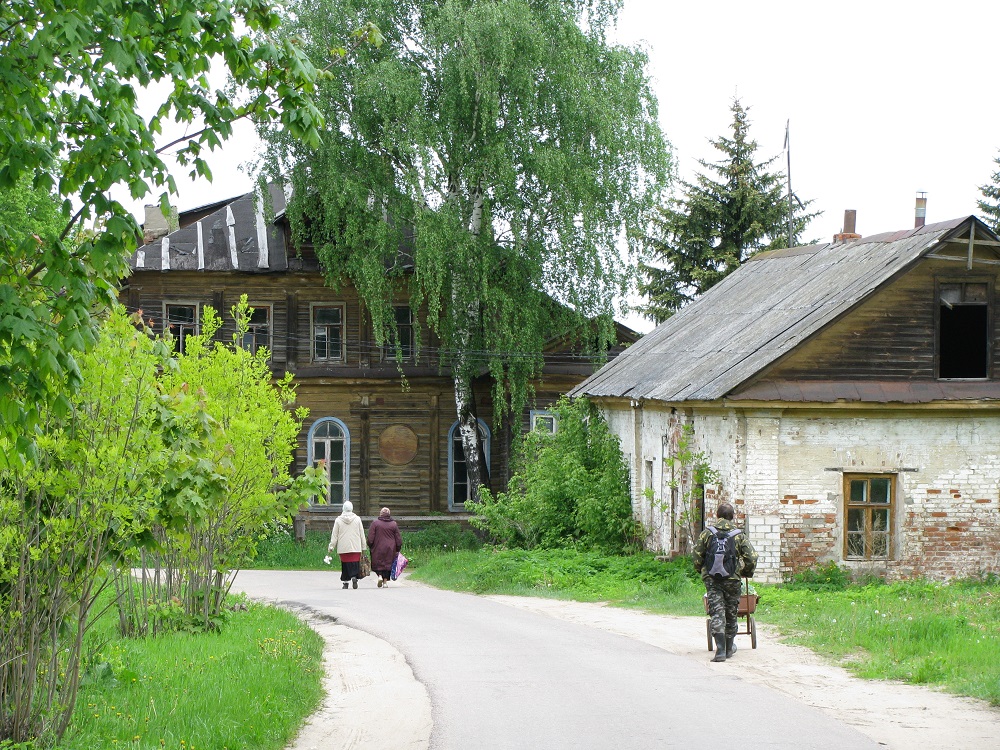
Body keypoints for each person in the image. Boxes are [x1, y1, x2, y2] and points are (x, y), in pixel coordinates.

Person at [693, 501, 758, 662]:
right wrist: (745, 572)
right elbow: (752, 557)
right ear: (732, 517)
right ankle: (729, 648)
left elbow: (696, 556)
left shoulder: (707, 533)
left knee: (716, 611)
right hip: (732, 580)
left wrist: (702, 571)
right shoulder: (738, 535)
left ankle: (720, 650)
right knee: (731, 612)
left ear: (717, 515)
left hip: (712, 580)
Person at [328, 501, 368, 589]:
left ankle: (345, 583)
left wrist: (331, 547)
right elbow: (362, 534)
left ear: (343, 508)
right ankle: (354, 577)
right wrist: (363, 546)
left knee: (345, 564)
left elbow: (334, 535)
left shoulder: (338, 520)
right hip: (355, 546)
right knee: (354, 563)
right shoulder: (357, 519)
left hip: (343, 547)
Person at [367, 506, 402, 588]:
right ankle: (385, 581)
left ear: (380, 514)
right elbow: (398, 539)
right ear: (389, 514)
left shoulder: (375, 523)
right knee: (388, 565)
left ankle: (379, 576)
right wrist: (398, 548)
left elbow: (370, 538)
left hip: (378, 548)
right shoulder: (394, 524)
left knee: (378, 564)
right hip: (390, 548)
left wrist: (370, 545)